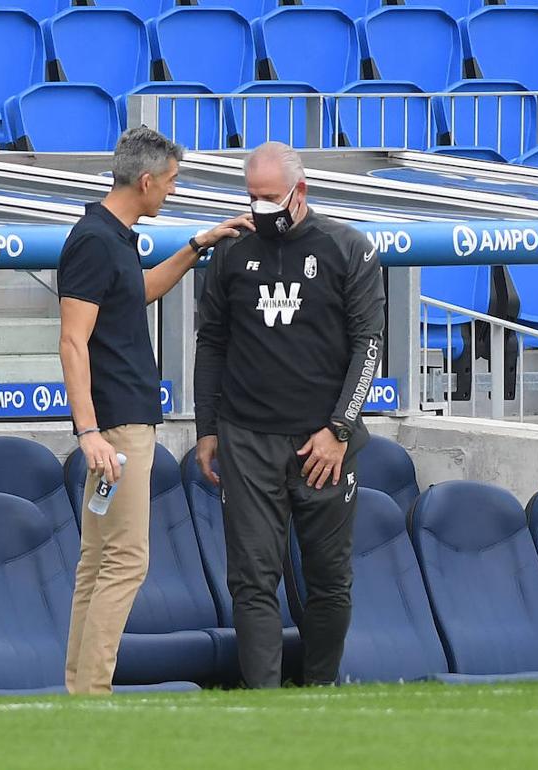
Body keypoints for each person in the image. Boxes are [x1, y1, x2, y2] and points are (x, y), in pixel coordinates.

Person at [58, 127, 250, 695]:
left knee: (99, 562)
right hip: (116, 429)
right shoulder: (94, 241)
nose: (172, 191)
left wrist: (196, 246)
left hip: (120, 424)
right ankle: (93, 693)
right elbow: (72, 340)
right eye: (170, 181)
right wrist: (89, 432)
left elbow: (136, 292)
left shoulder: (115, 237)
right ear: (146, 181)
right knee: (125, 561)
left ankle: (79, 692)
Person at [194, 142, 386, 689]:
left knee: (328, 578)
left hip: (323, 443)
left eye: (270, 197)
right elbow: (211, 342)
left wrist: (339, 430)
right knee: (252, 579)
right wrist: (207, 428)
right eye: (252, 197)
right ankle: (265, 702)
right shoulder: (231, 252)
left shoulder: (347, 248)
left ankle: (319, 690)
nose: (259, 208)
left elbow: (369, 345)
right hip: (247, 439)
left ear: (300, 192)